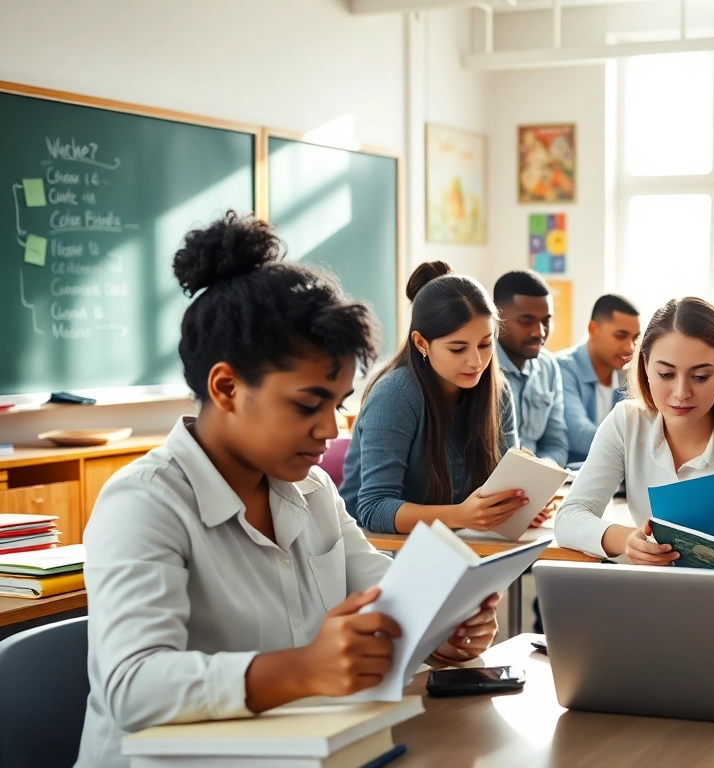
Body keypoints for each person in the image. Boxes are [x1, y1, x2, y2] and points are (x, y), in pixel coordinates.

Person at [77, 215, 497, 768]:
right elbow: (132, 687)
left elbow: (379, 587)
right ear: (226, 387)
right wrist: (302, 668)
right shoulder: (144, 503)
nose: (329, 429)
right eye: (306, 405)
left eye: (338, 404)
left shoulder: (313, 488)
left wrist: (438, 626)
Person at [555, 297, 714, 561]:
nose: (681, 393)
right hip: (652, 592)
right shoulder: (627, 421)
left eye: (700, 377)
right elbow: (569, 517)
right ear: (645, 366)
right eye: (666, 374)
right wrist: (629, 540)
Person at [341, 262, 537, 535]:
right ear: (421, 343)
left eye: (485, 343)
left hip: (461, 545)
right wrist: (462, 515)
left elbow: (502, 484)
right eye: (457, 349)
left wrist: (518, 505)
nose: (476, 362)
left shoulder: (498, 391)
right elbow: (374, 508)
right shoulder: (394, 397)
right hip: (380, 551)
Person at [494, 270, 568, 467]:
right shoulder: (478, 367)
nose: (540, 332)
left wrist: (543, 468)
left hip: (535, 485)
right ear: (496, 318)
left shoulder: (548, 366)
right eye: (526, 322)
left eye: (546, 321)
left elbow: (556, 444)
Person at [556, 294, 641, 464]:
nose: (629, 347)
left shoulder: (627, 374)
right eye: (620, 336)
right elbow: (578, 435)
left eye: (635, 338)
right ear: (593, 330)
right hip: (572, 477)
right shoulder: (562, 368)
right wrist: (638, 448)